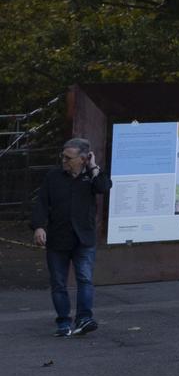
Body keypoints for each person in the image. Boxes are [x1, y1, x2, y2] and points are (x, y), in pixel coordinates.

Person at [29, 138, 113, 338]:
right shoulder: (53, 176)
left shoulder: (92, 177)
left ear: (83, 159)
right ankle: (63, 322)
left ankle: (84, 318)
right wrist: (39, 226)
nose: (64, 160)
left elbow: (104, 187)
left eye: (68, 157)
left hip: (84, 238)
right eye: (63, 156)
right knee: (58, 282)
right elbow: (42, 203)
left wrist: (93, 168)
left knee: (85, 279)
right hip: (58, 239)